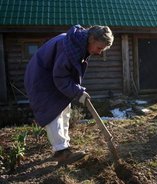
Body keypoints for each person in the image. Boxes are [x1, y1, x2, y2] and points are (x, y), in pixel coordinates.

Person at [24, 25, 114, 164]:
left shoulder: (78, 44)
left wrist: (78, 91)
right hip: (41, 79)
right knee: (53, 113)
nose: (99, 52)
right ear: (91, 38)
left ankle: (64, 148)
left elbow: (65, 74)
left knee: (64, 109)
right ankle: (61, 153)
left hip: (53, 77)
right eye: (99, 48)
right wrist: (78, 92)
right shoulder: (70, 47)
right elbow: (60, 77)